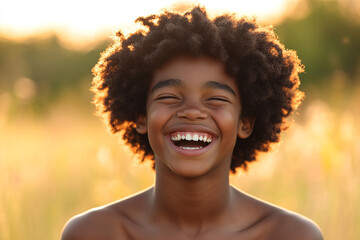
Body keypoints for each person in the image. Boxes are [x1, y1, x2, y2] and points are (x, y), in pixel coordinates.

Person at [61, 6, 323, 240]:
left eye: (216, 99)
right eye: (169, 97)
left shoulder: (289, 235)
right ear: (142, 117)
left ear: (245, 122)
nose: (192, 112)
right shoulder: (94, 233)